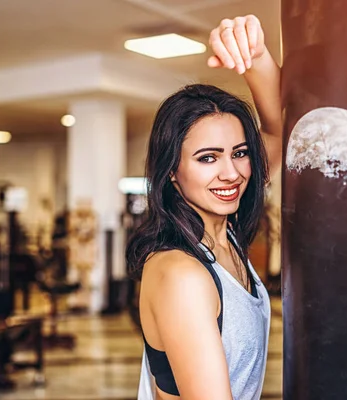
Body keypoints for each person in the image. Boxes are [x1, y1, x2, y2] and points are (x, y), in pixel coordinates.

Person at [126, 15, 282, 400]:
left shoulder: (221, 236)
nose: (231, 174)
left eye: (240, 153)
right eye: (207, 158)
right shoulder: (183, 274)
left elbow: (280, 130)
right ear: (173, 172)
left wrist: (256, 57)